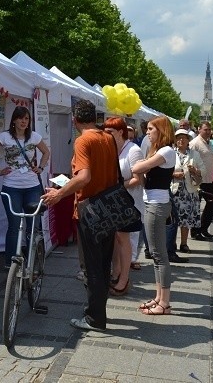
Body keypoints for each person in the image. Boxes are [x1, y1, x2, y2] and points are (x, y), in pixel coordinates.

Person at [41, 99, 118, 332]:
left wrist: (59, 193)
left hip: (91, 209)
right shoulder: (108, 138)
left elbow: (84, 177)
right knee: (103, 265)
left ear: (75, 120)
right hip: (109, 206)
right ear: (94, 117)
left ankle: (94, 318)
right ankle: (99, 312)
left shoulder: (84, 140)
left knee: (91, 267)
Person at [0, 106, 50, 268]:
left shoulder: (34, 136)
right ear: (14, 120)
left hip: (32, 186)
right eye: (20, 118)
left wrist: (40, 167)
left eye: (26, 119)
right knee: (14, 226)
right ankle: (11, 263)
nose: (23, 122)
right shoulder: (5, 137)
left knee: (33, 225)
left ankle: (34, 260)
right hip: (11, 187)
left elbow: (46, 152)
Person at [131, 116, 176, 315]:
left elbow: (137, 168)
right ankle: (159, 297)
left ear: (161, 130)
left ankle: (164, 302)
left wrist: (142, 162)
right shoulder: (158, 150)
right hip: (153, 202)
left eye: (150, 129)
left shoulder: (166, 151)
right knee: (157, 255)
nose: (147, 132)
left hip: (158, 204)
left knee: (159, 255)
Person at [102, 118, 144, 294]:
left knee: (123, 240)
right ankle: (116, 272)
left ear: (120, 132)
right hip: (114, 202)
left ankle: (124, 280)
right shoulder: (111, 148)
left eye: (110, 132)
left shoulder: (134, 150)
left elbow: (138, 179)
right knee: (116, 239)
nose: (106, 135)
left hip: (129, 203)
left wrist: (117, 187)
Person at [168, 129, 203, 260]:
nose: (181, 140)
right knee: (172, 219)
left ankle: (184, 243)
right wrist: (173, 174)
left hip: (188, 191)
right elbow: (165, 170)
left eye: (183, 138)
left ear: (188, 140)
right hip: (174, 191)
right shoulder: (171, 153)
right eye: (178, 138)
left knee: (186, 218)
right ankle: (172, 243)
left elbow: (203, 171)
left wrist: (196, 170)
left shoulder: (194, 154)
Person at [190, 121, 213, 240]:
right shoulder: (195, 143)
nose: (208, 132)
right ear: (199, 129)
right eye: (205, 129)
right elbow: (190, 161)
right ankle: (195, 231)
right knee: (196, 206)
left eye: (209, 130)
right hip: (198, 180)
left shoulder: (209, 143)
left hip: (209, 179)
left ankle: (203, 228)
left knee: (212, 204)